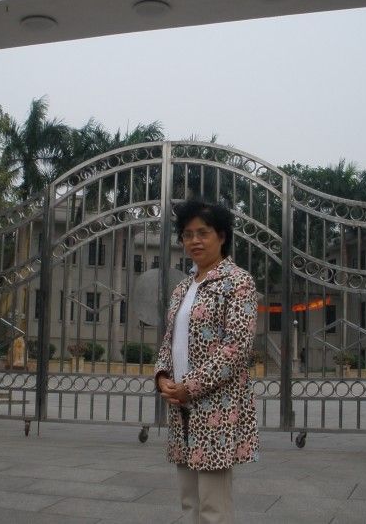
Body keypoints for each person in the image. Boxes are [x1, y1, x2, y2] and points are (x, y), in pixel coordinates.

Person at [154, 199, 259, 523]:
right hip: (180, 406)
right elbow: (169, 339)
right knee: (189, 501)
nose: (194, 241)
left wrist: (191, 386)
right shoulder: (183, 287)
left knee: (213, 507)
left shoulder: (238, 282)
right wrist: (162, 376)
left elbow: (236, 347)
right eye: (188, 235)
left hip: (216, 407)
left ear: (222, 236)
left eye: (203, 233)